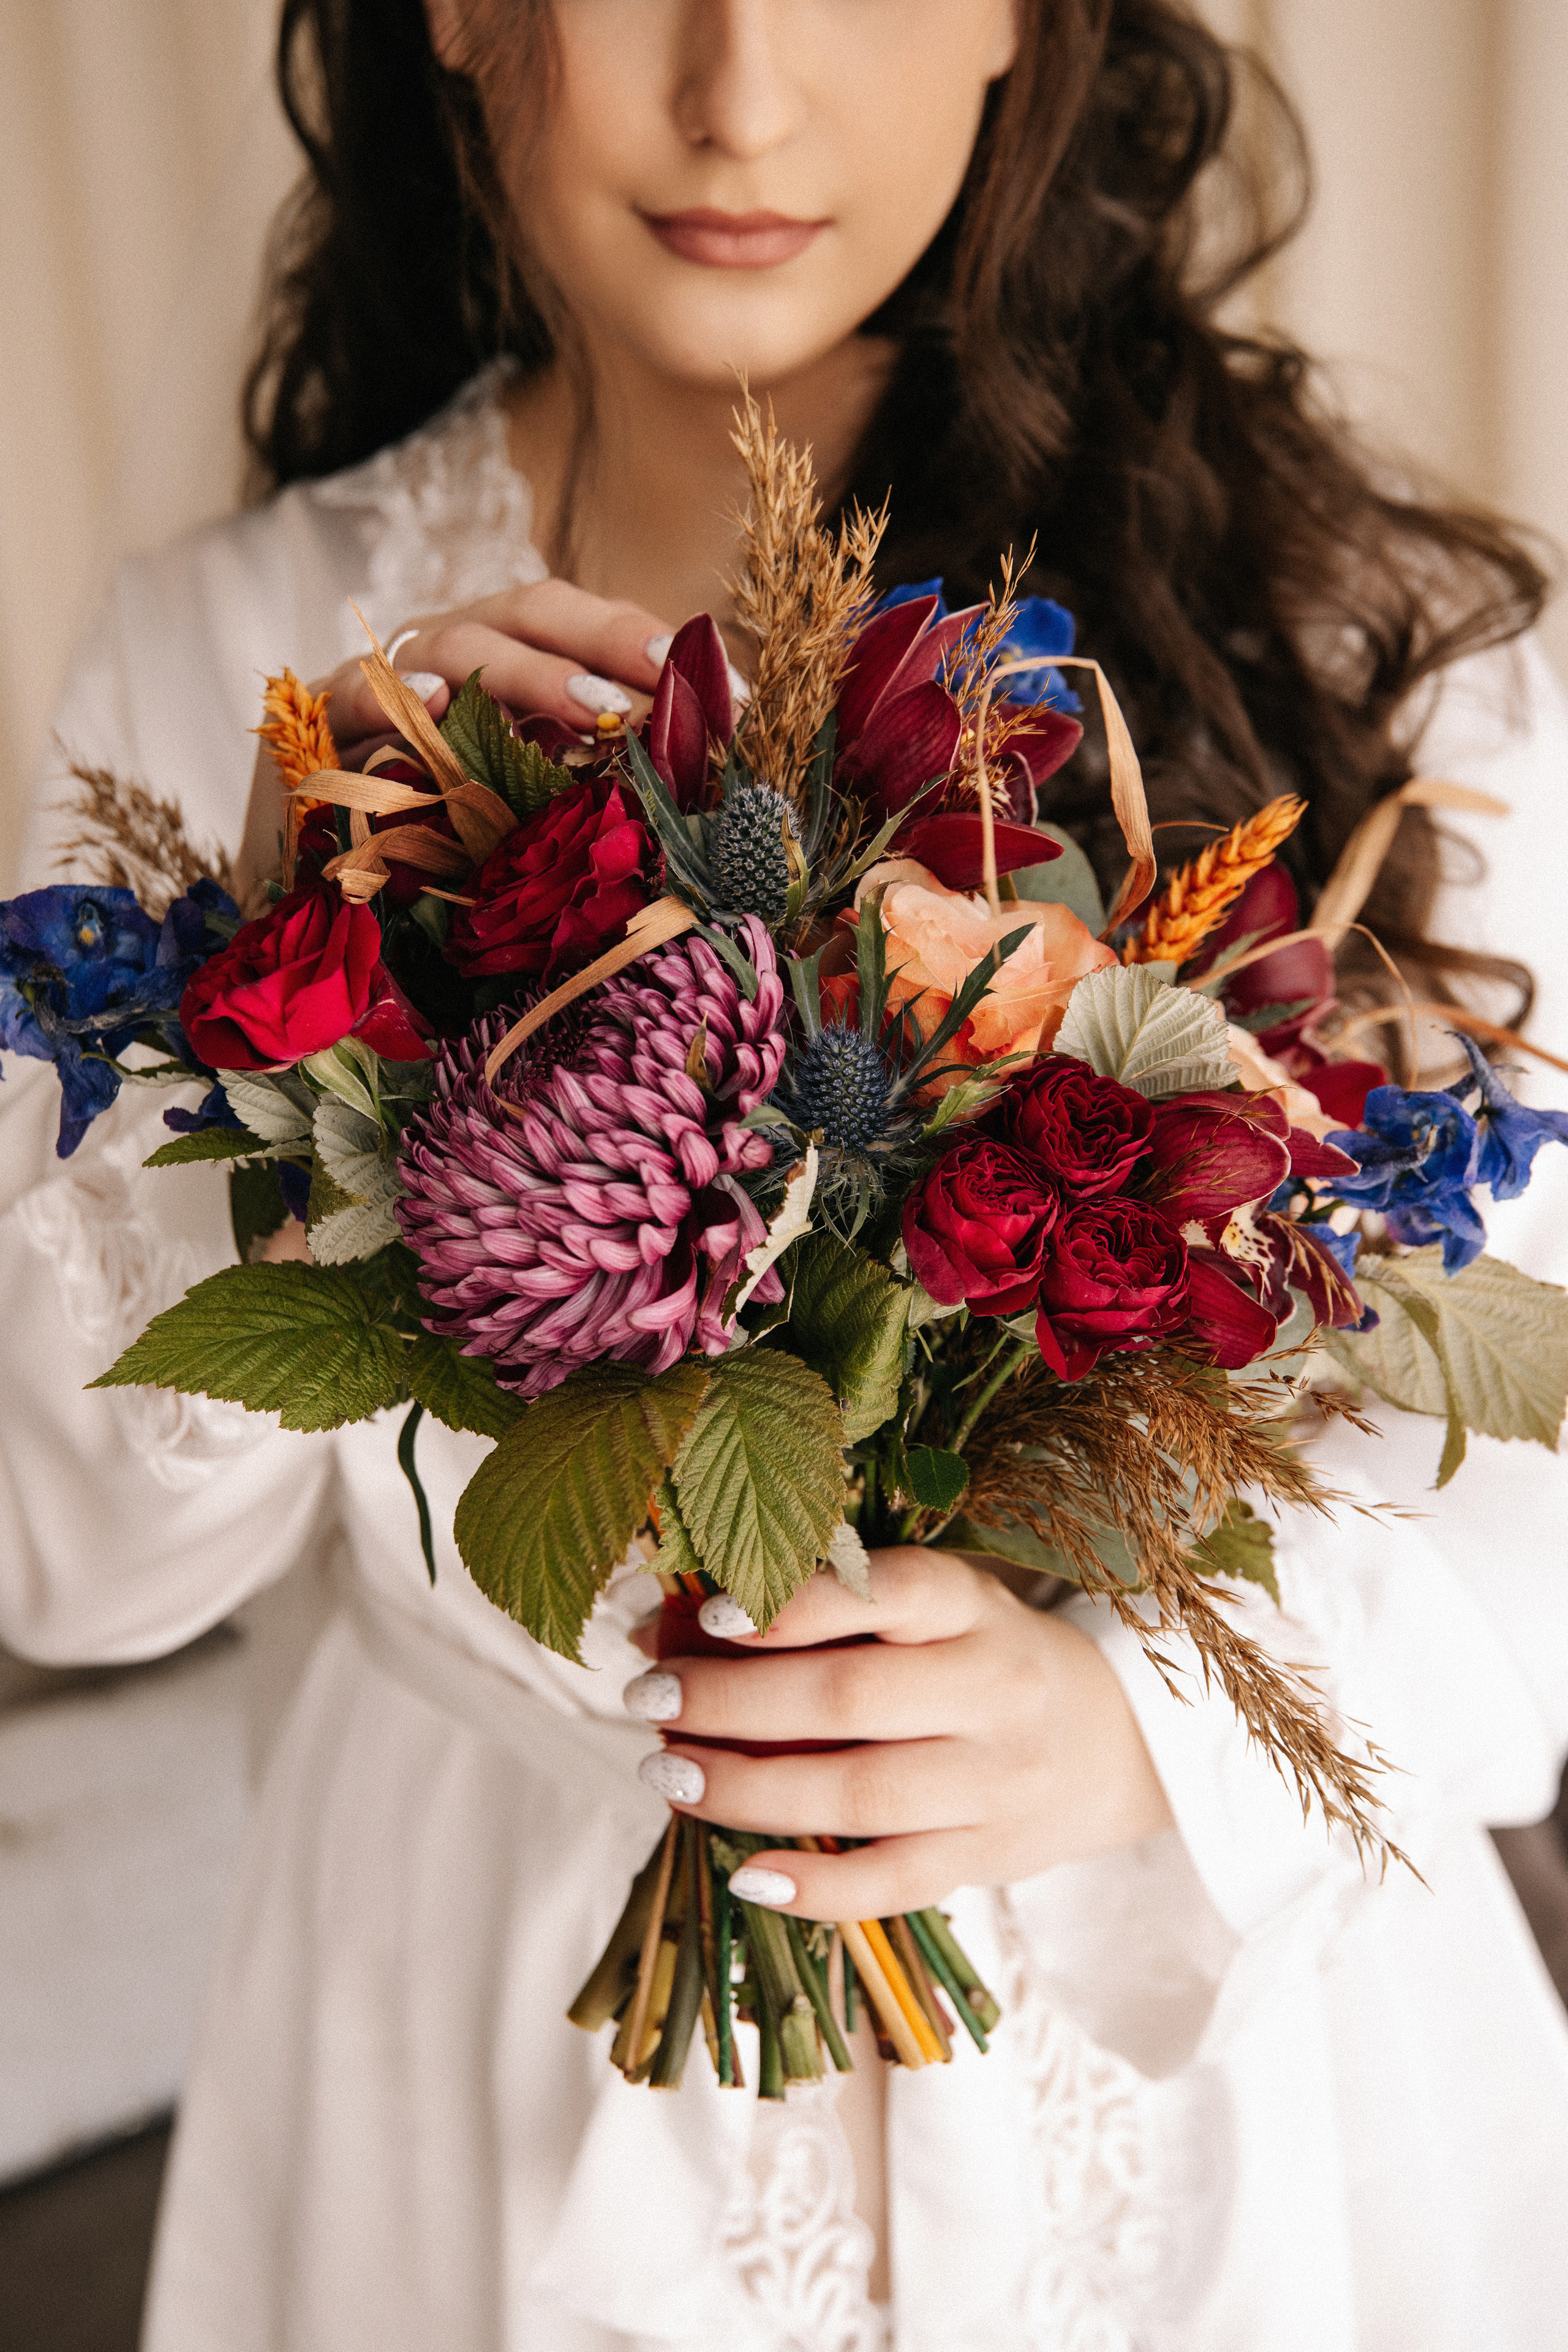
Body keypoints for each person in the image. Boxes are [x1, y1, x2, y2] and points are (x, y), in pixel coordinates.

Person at [4, 3, 1567, 2345]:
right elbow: (75, 1562)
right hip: (467, 2056)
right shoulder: (234, 660)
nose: (740, 92)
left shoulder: (1345, 639)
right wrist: (260, 975)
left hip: (1246, 2097)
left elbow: (1535, 1480)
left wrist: (1125, 1725)